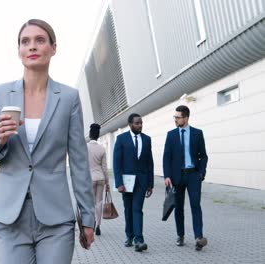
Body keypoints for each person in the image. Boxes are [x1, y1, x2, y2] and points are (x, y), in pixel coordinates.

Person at [0, 19, 95, 264]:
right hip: (11, 217)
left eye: (40, 40)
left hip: (56, 217)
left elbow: (79, 162)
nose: (32, 46)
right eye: (25, 41)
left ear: (53, 48)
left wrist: (87, 216)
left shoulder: (68, 98)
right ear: (19, 50)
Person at [163, 105, 208, 251]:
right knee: (179, 208)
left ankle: (198, 237)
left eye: (178, 117)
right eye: (174, 117)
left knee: (196, 206)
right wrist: (167, 176)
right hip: (177, 177)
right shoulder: (171, 135)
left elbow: (203, 156)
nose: (175, 120)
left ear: (186, 118)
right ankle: (180, 235)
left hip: (193, 175)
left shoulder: (197, 133)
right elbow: (166, 157)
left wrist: (201, 173)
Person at [113, 113, 154, 252]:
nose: (140, 125)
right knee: (128, 209)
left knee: (137, 209)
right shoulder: (121, 139)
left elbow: (150, 163)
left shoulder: (147, 139)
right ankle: (129, 236)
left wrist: (150, 184)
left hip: (142, 182)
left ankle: (139, 240)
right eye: (137, 123)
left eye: (141, 123)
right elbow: (116, 163)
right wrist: (119, 183)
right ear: (130, 124)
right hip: (127, 182)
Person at [86, 123, 110, 236]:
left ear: (90, 135)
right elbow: (104, 167)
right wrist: (107, 182)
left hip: (89, 178)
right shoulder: (102, 149)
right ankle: (98, 226)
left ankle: (91, 223)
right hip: (100, 177)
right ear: (98, 135)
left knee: (90, 202)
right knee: (99, 202)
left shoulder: (85, 147)